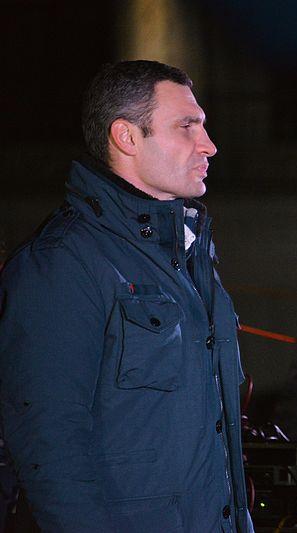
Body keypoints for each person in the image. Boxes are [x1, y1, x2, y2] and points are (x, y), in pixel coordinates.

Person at [0, 60, 253, 532]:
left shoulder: (191, 253)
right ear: (127, 137)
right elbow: (48, 443)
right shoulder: (63, 263)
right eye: (187, 127)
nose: (209, 145)